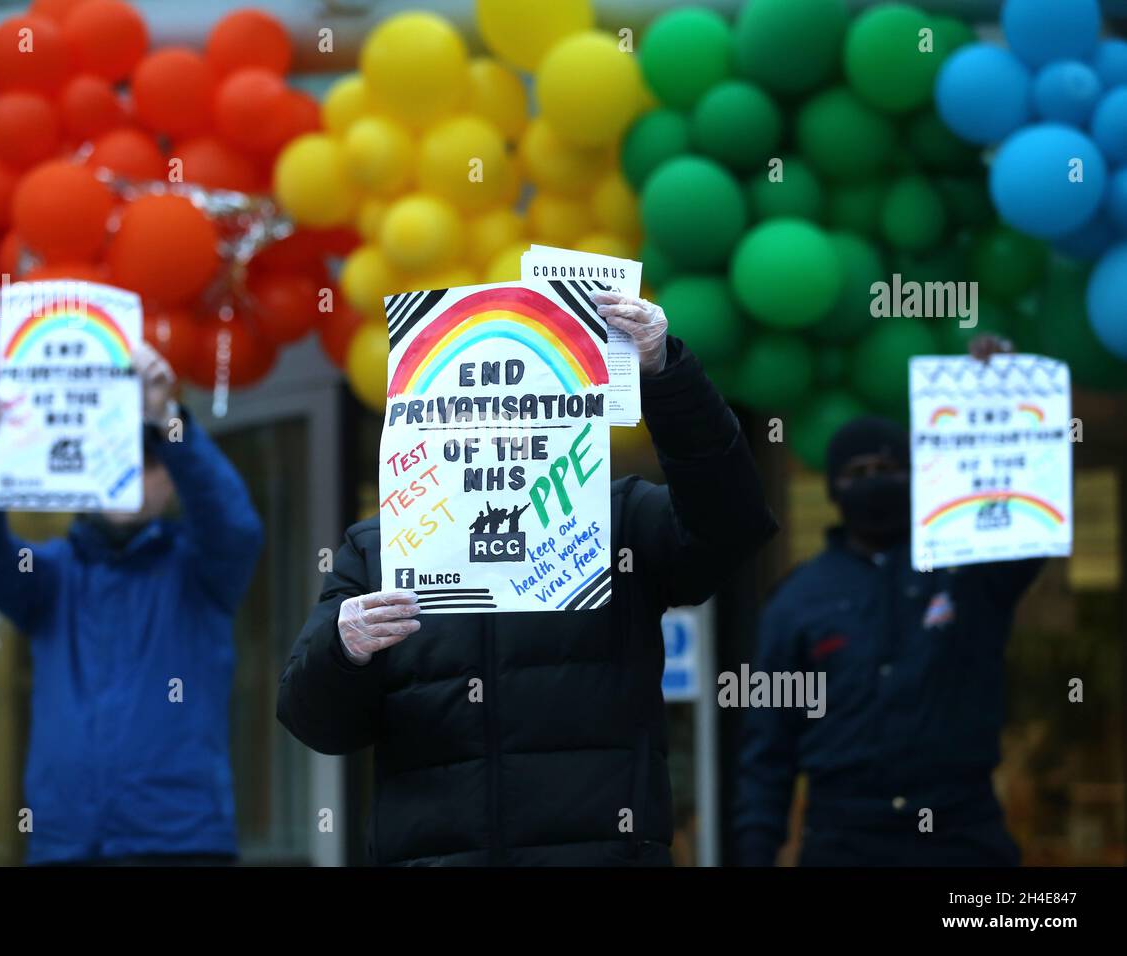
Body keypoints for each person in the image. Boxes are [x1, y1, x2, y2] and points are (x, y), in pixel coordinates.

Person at [278, 292, 777, 866]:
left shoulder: (617, 523)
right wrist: (343, 652)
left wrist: (669, 376)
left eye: (517, 409)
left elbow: (732, 525)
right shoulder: (380, 549)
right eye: (467, 411)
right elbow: (315, 724)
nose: (491, 427)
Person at [733, 336, 1041, 867]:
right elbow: (768, 747)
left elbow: (1024, 518)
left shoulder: (969, 564)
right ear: (833, 490)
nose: (873, 482)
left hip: (963, 835)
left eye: (887, 468)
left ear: (916, 477)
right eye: (856, 474)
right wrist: (756, 849)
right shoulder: (796, 601)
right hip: (844, 839)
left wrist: (999, 394)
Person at [0, 343, 263, 865]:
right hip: (67, 844)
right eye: (114, 452)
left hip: (180, 843)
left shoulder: (203, 571)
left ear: (172, 477)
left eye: (148, 457)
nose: (132, 472)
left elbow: (234, 523)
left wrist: (167, 419)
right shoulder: (52, 576)